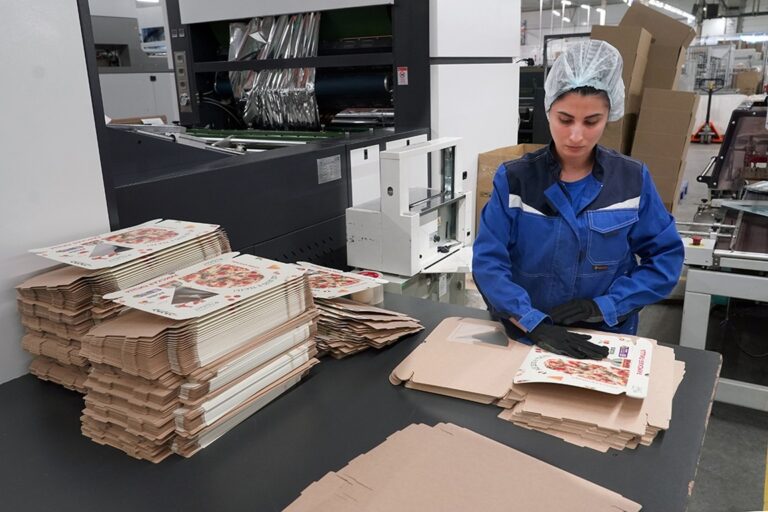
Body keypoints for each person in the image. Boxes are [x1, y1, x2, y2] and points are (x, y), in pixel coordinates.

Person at [472, 40, 684, 360]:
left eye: (591, 121)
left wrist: (604, 306)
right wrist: (531, 321)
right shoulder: (515, 180)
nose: (576, 135)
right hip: (525, 335)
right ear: (548, 110)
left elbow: (665, 259)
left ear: (609, 115)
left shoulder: (631, 180)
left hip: (606, 335)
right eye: (565, 119)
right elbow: (489, 262)